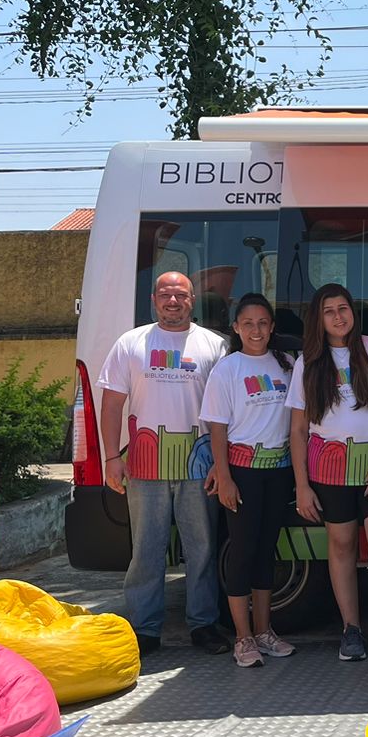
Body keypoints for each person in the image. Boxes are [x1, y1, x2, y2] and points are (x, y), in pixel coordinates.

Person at [98, 271, 230, 656]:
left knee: (202, 550)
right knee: (146, 551)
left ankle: (204, 625)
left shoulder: (215, 345)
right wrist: (111, 457)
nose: (173, 302)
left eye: (181, 296)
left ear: (193, 300)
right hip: (143, 467)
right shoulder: (130, 343)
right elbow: (111, 405)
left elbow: (225, 411)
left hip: (198, 467)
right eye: (166, 295)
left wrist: (219, 465)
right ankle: (144, 629)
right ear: (154, 299)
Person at [287, 283, 368, 662]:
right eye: (329, 311)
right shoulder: (307, 361)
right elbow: (297, 429)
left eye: (344, 308)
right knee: (341, 546)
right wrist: (303, 486)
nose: (339, 316)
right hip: (329, 469)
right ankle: (351, 630)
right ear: (318, 319)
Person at [200, 293, 297, 668]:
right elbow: (218, 428)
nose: (256, 330)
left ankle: (264, 632)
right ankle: (242, 638)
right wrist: (224, 477)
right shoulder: (227, 369)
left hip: (279, 470)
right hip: (242, 471)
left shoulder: (286, 366)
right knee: (240, 553)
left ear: (272, 328)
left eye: (263, 323)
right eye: (248, 323)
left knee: (266, 553)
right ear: (236, 328)